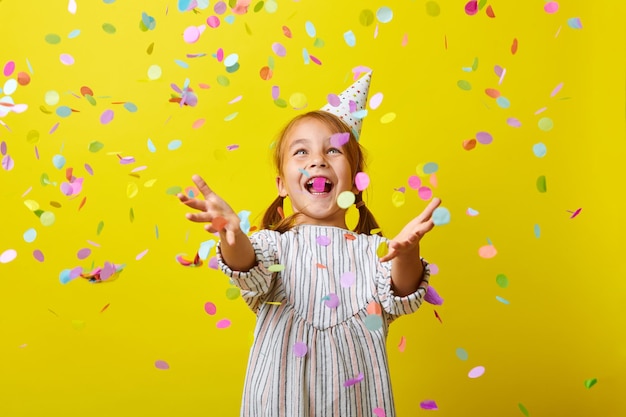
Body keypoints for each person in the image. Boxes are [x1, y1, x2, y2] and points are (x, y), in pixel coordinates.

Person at [178, 72, 442, 417]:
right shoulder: (273, 248)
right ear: (282, 184)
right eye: (301, 152)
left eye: (333, 150)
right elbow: (247, 267)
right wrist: (233, 234)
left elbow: (402, 292)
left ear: (357, 181)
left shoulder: (373, 253)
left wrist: (408, 254)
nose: (317, 160)